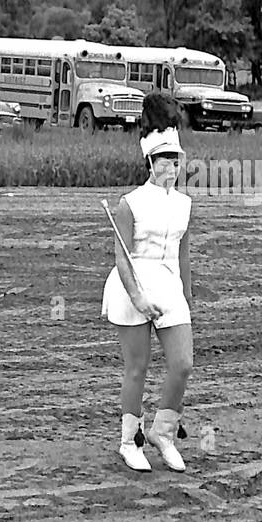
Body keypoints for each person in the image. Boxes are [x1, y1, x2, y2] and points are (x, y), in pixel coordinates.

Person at [102, 91, 194, 473]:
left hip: (169, 286)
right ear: (150, 162)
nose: (171, 168)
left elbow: (183, 254)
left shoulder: (186, 203)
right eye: (164, 161)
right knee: (137, 367)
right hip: (132, 286)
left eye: (176, 160)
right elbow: (122, 257)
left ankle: (163, 432)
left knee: (183, 364)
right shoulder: (130, 203)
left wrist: (187, 299)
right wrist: (138, 297)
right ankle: (130, 441)